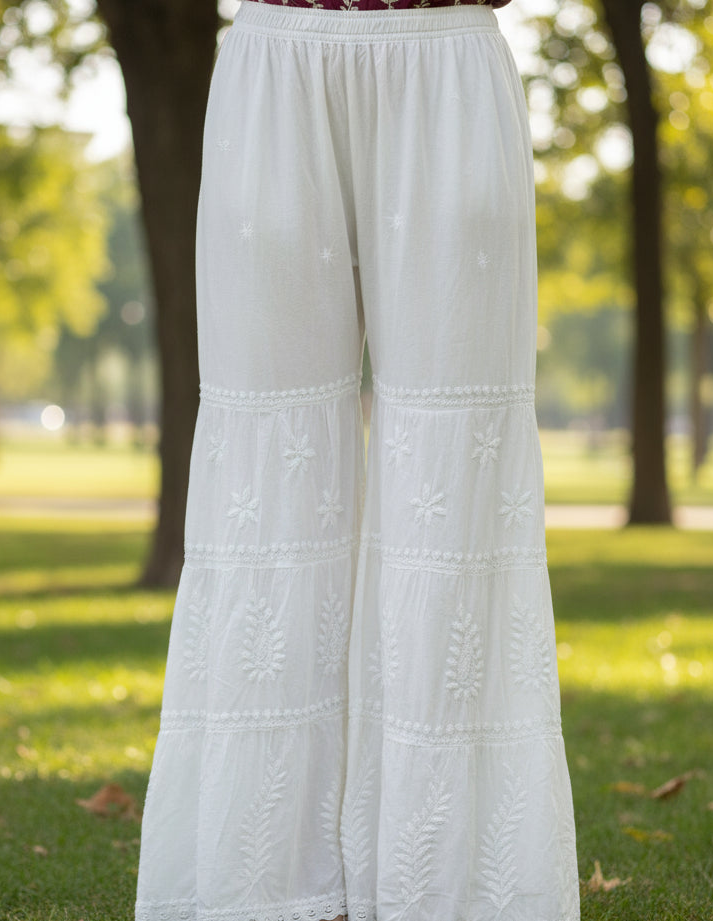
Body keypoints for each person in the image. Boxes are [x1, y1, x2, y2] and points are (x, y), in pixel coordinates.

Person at [134, 0, 581, 919]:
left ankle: (452, 877)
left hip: (450, 62)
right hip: (271, 65)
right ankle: (259, 875)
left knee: (456, 470)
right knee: (270, 465)